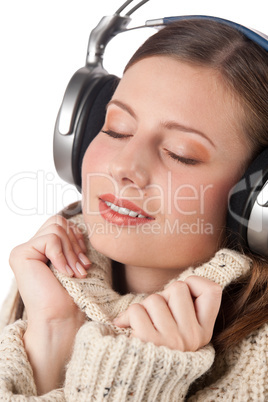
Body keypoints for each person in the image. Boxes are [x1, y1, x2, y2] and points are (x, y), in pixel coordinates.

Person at [0, 18, 267, 401]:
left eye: (181, 153)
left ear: (257, 193)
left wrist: (140, 376)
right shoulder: (45, 280)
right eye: (116, 129)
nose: (125, 167)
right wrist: (51, 334)